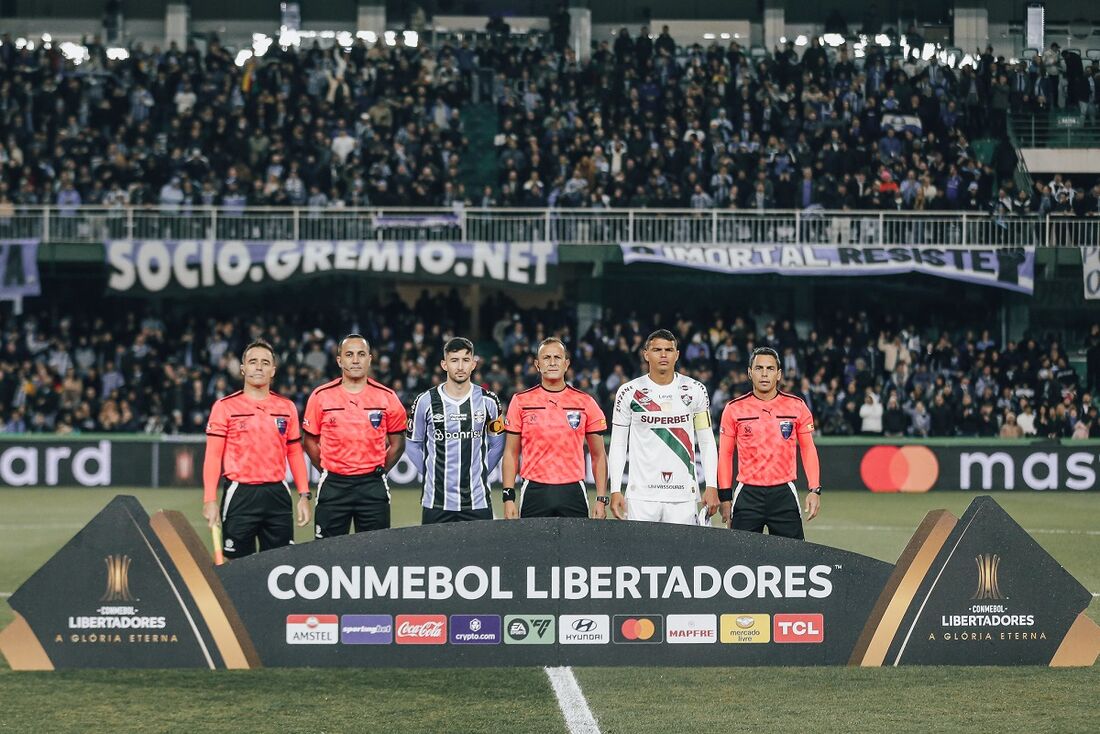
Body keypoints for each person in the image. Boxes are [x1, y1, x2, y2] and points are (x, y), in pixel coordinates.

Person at [202, 340, 311, 559]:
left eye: (265, 362)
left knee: (280, 566)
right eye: (253, 362)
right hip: (240, 495)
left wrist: (304, 494)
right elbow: (213, 456)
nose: (258, 367)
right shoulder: (224, 407)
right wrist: (209, 499)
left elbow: (295, 452)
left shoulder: (286, 407)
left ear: (273, 370)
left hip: (277, 495)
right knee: (238, 566)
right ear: (243, 369)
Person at [607, 329, 719, 524]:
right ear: (646, 354)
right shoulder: (629, 392)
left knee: (682, 554)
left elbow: (707, 441)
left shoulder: (695, 390)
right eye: (657, 349)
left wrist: (711, 485)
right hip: (641, 495)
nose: (664, 354)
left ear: (677, 354)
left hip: (683, 495)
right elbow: (617, 443)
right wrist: (615, 489)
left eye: (669, 349)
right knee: (642, 554)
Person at [303, 334, 406, 538]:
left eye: (361, 354)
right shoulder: (321, 395)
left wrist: (378, 471)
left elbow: (398, 444)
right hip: (333, 486)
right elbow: (309, 442)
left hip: (372, 487)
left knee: (375, 556)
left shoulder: (387, 397)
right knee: (327, 555)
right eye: (349, 355)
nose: (356, 360)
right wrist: (327, 470)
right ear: (339, 360)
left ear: (370, 359)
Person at [717, 347, 822, 539]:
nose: (764, 374)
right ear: (750, 372)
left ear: (779, 374)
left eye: (770, 368)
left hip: (784, 494)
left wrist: (814, 489)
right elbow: (725, 454)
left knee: (794, 561)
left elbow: (808, 448)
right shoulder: (734, 409)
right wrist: (725, 498)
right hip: (747, 494)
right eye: (759, 368)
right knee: (739, 561)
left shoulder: (796, 406)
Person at [501, 337, 608, 519]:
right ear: (537, 364)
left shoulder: (586, 402)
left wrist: (601, 498)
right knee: (532, 547)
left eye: (557, 358)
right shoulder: (520, 401)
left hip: (573, 490)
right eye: (546, 358)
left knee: (576, 547)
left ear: (566, 364)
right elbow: (511, 452)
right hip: (534, 490)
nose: (552, 363)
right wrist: (508, 497)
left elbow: (598, 455)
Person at [405, 337, 506, 523]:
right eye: (454, 360)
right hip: (436, 502)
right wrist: (431, 474)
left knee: (480, 552)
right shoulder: (425, 401)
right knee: (435, 553)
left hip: (478, 501)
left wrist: (480, 473)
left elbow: (498, 444)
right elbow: (412, 444)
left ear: (473, 364)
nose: (460, 366)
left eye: (466, 360)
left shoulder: (489, 401)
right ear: (444, 364)